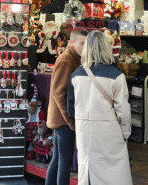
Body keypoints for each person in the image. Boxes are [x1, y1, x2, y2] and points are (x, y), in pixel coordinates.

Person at [67, 30, 132, 185]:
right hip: (108, 129)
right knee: (113, 173)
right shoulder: (116, 75)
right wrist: (125, 133)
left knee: (87, 169)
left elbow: (71, 107)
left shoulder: (76, 74)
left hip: (84, 130)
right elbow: (123, 109)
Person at [45, 29, 88, 185]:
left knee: (59, 159)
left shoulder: (75, 58)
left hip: (62, 118)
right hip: (63, 119)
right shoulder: (67, 60)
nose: (84, 46)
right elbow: (59, 93)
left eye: (86, 43)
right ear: (72, 43)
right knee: (64, 160)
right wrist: (70, 121)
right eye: (81, 43)